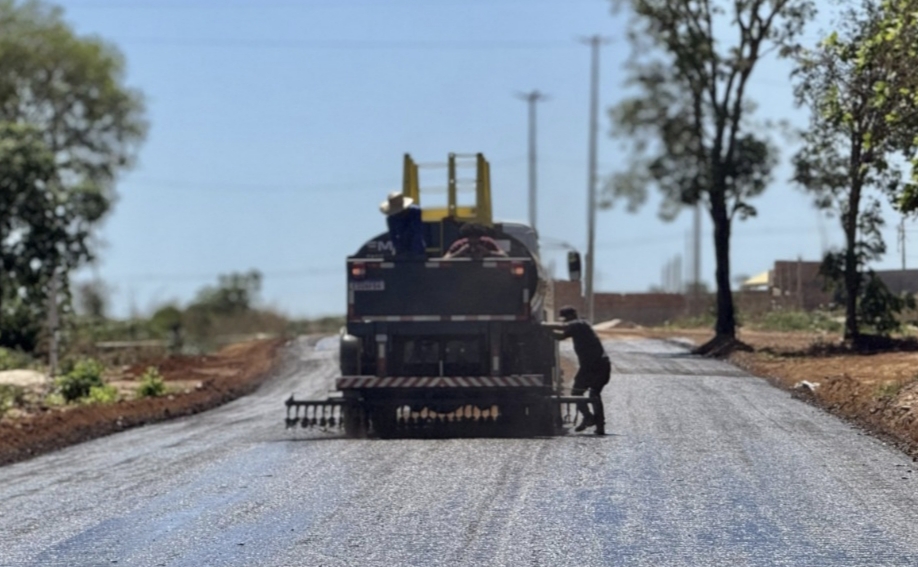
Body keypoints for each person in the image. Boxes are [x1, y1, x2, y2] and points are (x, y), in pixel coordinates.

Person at [545, 306, 610, 435]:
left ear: (568, 317)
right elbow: (562, 333)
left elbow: (561, 333)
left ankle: (589, 417)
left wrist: (543, 328)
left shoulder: (577, 324)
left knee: (577, 393)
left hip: (591, 366)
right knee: (594, 395)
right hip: (602, 365)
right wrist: (549, 330)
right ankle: (598, 424)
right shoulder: (582, 326)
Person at [380, 191, 425, 257]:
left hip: (417, 248)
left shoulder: (415, 213)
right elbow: (393, 236)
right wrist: (399, 250)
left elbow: (417, 232)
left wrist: (415, 252)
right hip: (401, 248)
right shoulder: (391, 219)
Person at [443, 223, 508, 259]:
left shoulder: (487, 242)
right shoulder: (460, 244)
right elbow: (445, 258)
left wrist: (488, 252)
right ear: (467, 237)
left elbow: (504, 255)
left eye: (476, 237)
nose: (473, 240)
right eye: (471, 237)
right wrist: (459, 252)